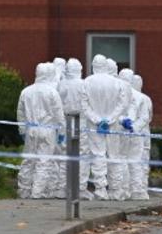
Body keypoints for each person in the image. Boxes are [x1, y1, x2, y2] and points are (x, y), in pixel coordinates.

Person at [82, 55, 129, 200]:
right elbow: (122, 105)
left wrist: (97, 120)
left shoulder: (87, 82)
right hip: (113, 125)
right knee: (114, 155)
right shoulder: (117, 83)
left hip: (94, 125)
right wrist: (109, 120)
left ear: (93, 66)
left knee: (98, 155)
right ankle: (115, 190)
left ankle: (100, 189)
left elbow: (84, 104)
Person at [17, 62, 65, 199]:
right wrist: (61, 133)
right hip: (48, 130)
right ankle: (37, 193)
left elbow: (20, 113)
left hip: (31, 130)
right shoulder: (52, 92)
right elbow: (59, 115)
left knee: (28, 161)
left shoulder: (26, 91)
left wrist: (22, 130)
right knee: (44, 162)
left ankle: (24, 191)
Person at [56, 58, 93, 200]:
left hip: (65, 121)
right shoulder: (84, 84)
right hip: (81, 122)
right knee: (82, 156)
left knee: (65, 155)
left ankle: (63, 188)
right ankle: (80, 188)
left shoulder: (61, 85)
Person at [119, 69, 151, 200]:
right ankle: (137, 191)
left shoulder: (118, 94)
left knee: (122, 161)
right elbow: (145, 118)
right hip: (136, 134)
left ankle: (123, 191)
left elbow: (114, 114)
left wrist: (124, 123)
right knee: (136, 162)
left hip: (120, 133)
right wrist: (134, 127)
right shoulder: (142, 97)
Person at [103, 58, 132, 201]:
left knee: (111, 158)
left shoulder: (105, 84)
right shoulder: (125, 85)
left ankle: (115, 190)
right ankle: (122, 190)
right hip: (124, 124)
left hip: (110, 124)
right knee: (121, 158)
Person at [133, 74, 153, 195]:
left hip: (133, 132)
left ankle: (134, 188)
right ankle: (142, 188)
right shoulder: (146, 98)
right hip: (144, 132)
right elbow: (149, 117)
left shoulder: (129, 97)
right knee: (143, 160)